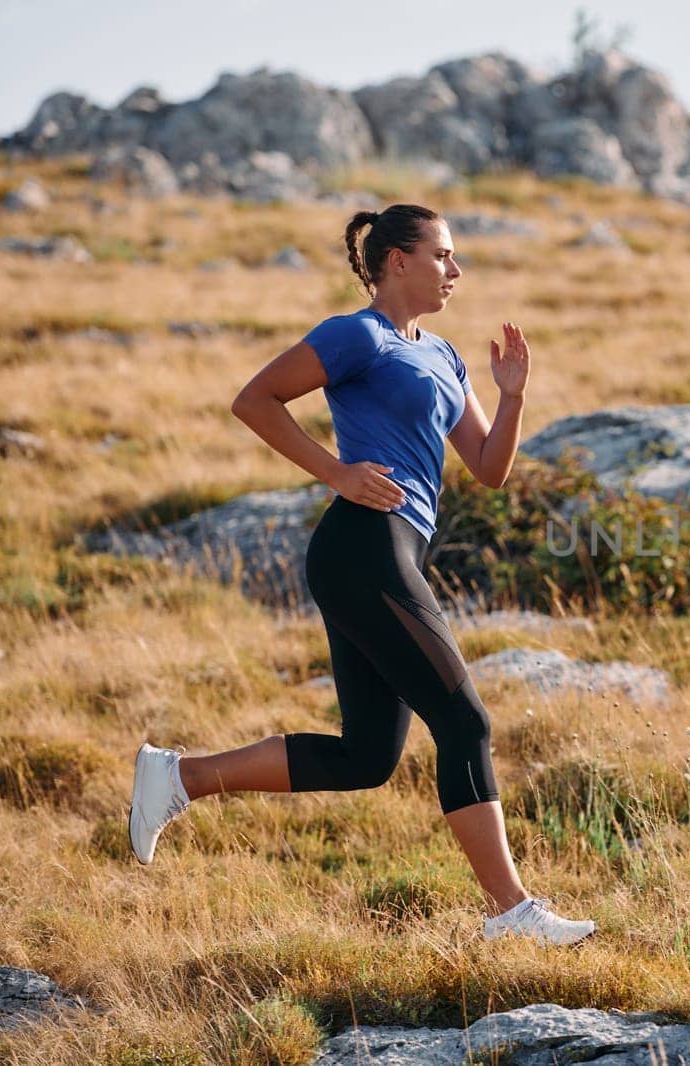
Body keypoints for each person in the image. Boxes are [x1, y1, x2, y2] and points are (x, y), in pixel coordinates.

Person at [127, 203, 594, 947]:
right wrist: (336, 472)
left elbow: (489, 470)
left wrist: (512, 397)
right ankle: (511, 912)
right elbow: (256, 400)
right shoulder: (357, 336)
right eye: (443, 255)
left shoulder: (443, 355)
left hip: (394, 551)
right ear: (397, 261)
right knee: (464, 720)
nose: (456, 270)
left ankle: (177, 778)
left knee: (366, 758)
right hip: (361, 547)